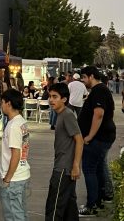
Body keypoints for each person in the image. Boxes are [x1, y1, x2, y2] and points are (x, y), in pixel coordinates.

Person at [78, 66, 116, 217]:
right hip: (102, 138)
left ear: (91, 76)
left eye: (84, 77)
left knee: (89, 170)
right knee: (98, 169)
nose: (82, 80)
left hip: (97, 139)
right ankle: (98, 201)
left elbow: (99, 114)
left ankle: (92, 205)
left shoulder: (99, 90)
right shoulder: (99, 90)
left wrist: (89, 136)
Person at [45, 83, 84, 220]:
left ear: (64, 99)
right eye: (50, 96)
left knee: (54, 207)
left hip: (63, 168)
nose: (51, 100)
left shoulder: (67, 114)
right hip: (63, 166)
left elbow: (79, 139)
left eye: (55, 97)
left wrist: (75, 165)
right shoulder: (61, 114)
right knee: (69, 206)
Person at [0, 89, 30, 221]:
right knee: (20, 213)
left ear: (9, 103)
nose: (1, 105)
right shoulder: (21, 121)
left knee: (13, 215)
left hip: (14, 179)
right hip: (22, 175)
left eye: (2, 102)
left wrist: (7, 179)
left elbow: (15, 154)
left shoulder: (13, 126)